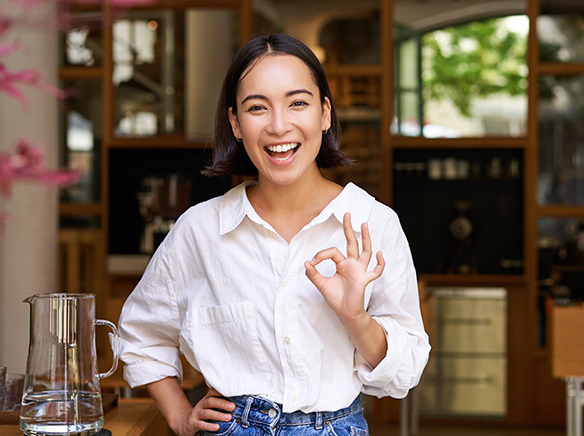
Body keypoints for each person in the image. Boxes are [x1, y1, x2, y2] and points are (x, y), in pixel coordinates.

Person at [116, 34, 430, 436]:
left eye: (298, 103)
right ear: (236, 124)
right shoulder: (200, 229)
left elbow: (405, 371)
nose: (279, 125)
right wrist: (178, 414)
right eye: (257, 108)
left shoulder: (373, 223)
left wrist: (355, 318)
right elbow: (142, 333)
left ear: (325, 113)